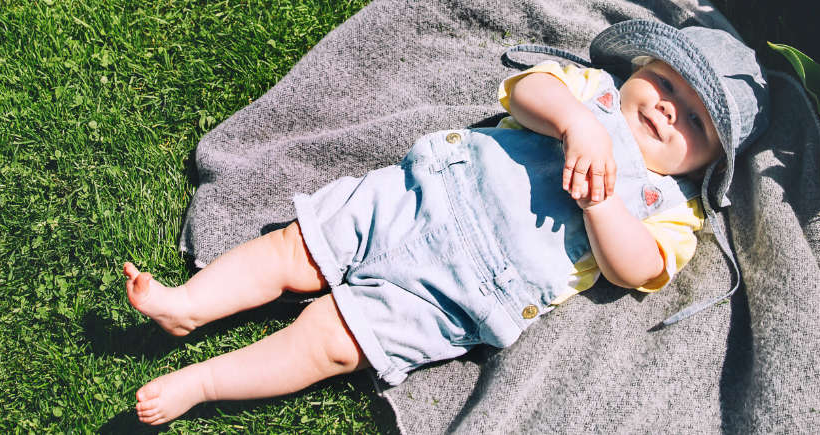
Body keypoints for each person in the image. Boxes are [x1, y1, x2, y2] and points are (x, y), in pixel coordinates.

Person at [120, 19, 767, 425]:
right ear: (641, 69)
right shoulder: (588, 90)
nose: (670, 112)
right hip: (418, 197)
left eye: (697, 123)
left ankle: (204, 382)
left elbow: (638, 268)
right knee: (296, 248)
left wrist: (604, 205)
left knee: (331, 341)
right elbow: (526, 90)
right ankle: (189, 304)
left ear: (709, 161)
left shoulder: (674, 209)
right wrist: (575, 123)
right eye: (669, 86)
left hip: (458, 292)